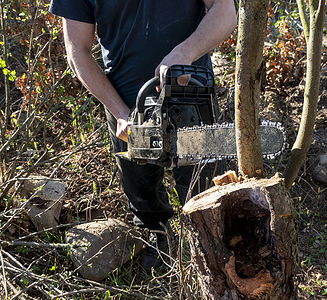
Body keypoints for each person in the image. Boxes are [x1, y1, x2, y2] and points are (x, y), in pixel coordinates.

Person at [49, 0, 237, 271]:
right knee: (140, 186)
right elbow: (77, 50)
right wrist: (121, 112)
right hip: (126, 101)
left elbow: (225, 10)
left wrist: (185, 52)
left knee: (203, 184)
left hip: (190, 90)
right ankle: (157, 235)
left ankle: (215, 249)